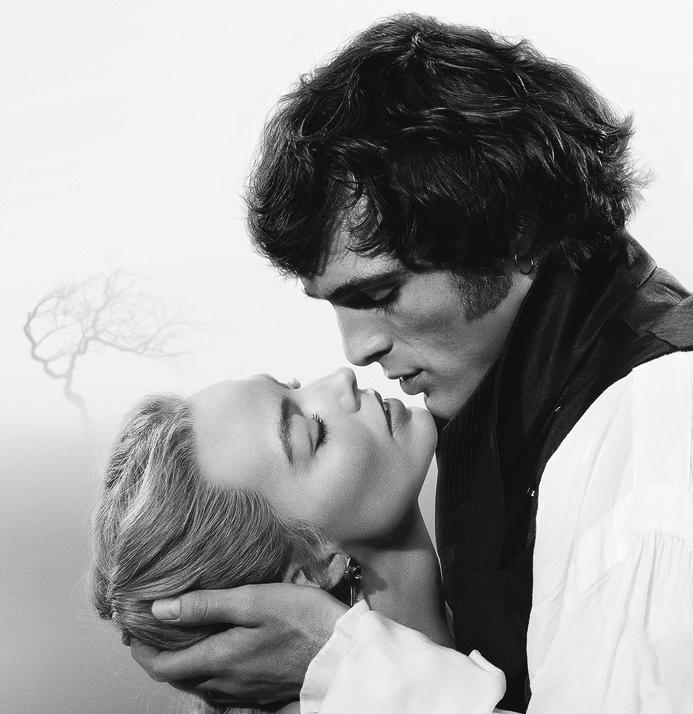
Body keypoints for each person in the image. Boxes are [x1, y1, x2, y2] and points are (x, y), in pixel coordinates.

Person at [131, 14, 693, 713]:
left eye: (380, 294)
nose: (354, 353)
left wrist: (352, 672)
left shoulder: (653, 437)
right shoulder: (513, 422)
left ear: (515, 231)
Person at [92, 370, 506, 713]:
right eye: (314, 432)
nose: (342, 379)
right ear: (312, 569)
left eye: (295, 386)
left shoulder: (504, 602)